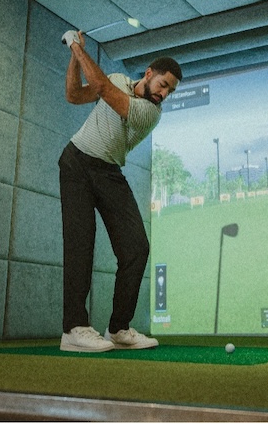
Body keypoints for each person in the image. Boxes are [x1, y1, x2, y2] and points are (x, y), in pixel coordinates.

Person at [57, 30, 182, 352]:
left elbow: (101, 88)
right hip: (76, 163)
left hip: (108, 172)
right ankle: (73, 329)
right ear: (149, 74)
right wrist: (75, 56)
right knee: (80, 246)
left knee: (136, 248)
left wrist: (75, 45)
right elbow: (74, 95)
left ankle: (119, 328)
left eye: (170, 91)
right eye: (163, 85)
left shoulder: (150, 113)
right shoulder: (116, 79)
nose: (164, 94)